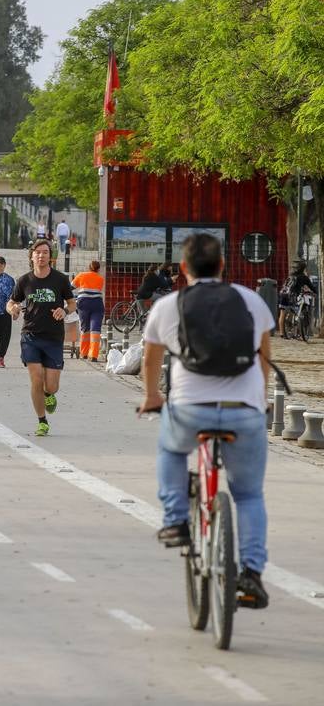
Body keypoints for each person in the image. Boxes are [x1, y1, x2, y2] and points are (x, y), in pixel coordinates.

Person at [139, 232, 274, 610]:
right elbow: (264, 357)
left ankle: (177, 520)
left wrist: (152, 397)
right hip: (243, 410)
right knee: (248, 494)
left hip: (190, 409)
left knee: (170, 448)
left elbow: (151, 361)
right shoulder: (250, 300)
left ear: (183, 269)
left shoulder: (167, 305)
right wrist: (258, 402)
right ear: (223, 266)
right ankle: (251, 573)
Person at [7, 238, 76, 437]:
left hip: (54, 337)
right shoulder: (24, 280)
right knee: (36, 379)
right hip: (30, 335)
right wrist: (13, 309)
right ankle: (42, 421)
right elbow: (11, 302)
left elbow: (72, 303)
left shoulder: (60, 279)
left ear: (50, 257)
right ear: (32, 255)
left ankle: (48, 395)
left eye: (45, 252)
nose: (41, 256)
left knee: (51, 385)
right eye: (38, 252)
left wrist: (64, 311)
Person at [72, 260, 105, 361]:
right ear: (98, 269)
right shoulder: (101, 279)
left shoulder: (82, 275)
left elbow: (70, 287)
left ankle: (84, 353)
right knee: (95, 329)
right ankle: (93, 355)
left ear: (89, 267)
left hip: (83, 303)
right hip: (97, 304)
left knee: (85, 328)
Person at [278, 259, 317, 335]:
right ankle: (295, 332)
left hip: (284, 295)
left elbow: (285, 285)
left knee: (282, 314)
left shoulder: (290, 276)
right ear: (303, 268)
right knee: (297, 311)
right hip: (293, 296)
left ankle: (282, 333)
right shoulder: (304, 277)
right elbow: (312, 287)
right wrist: (315, 292)